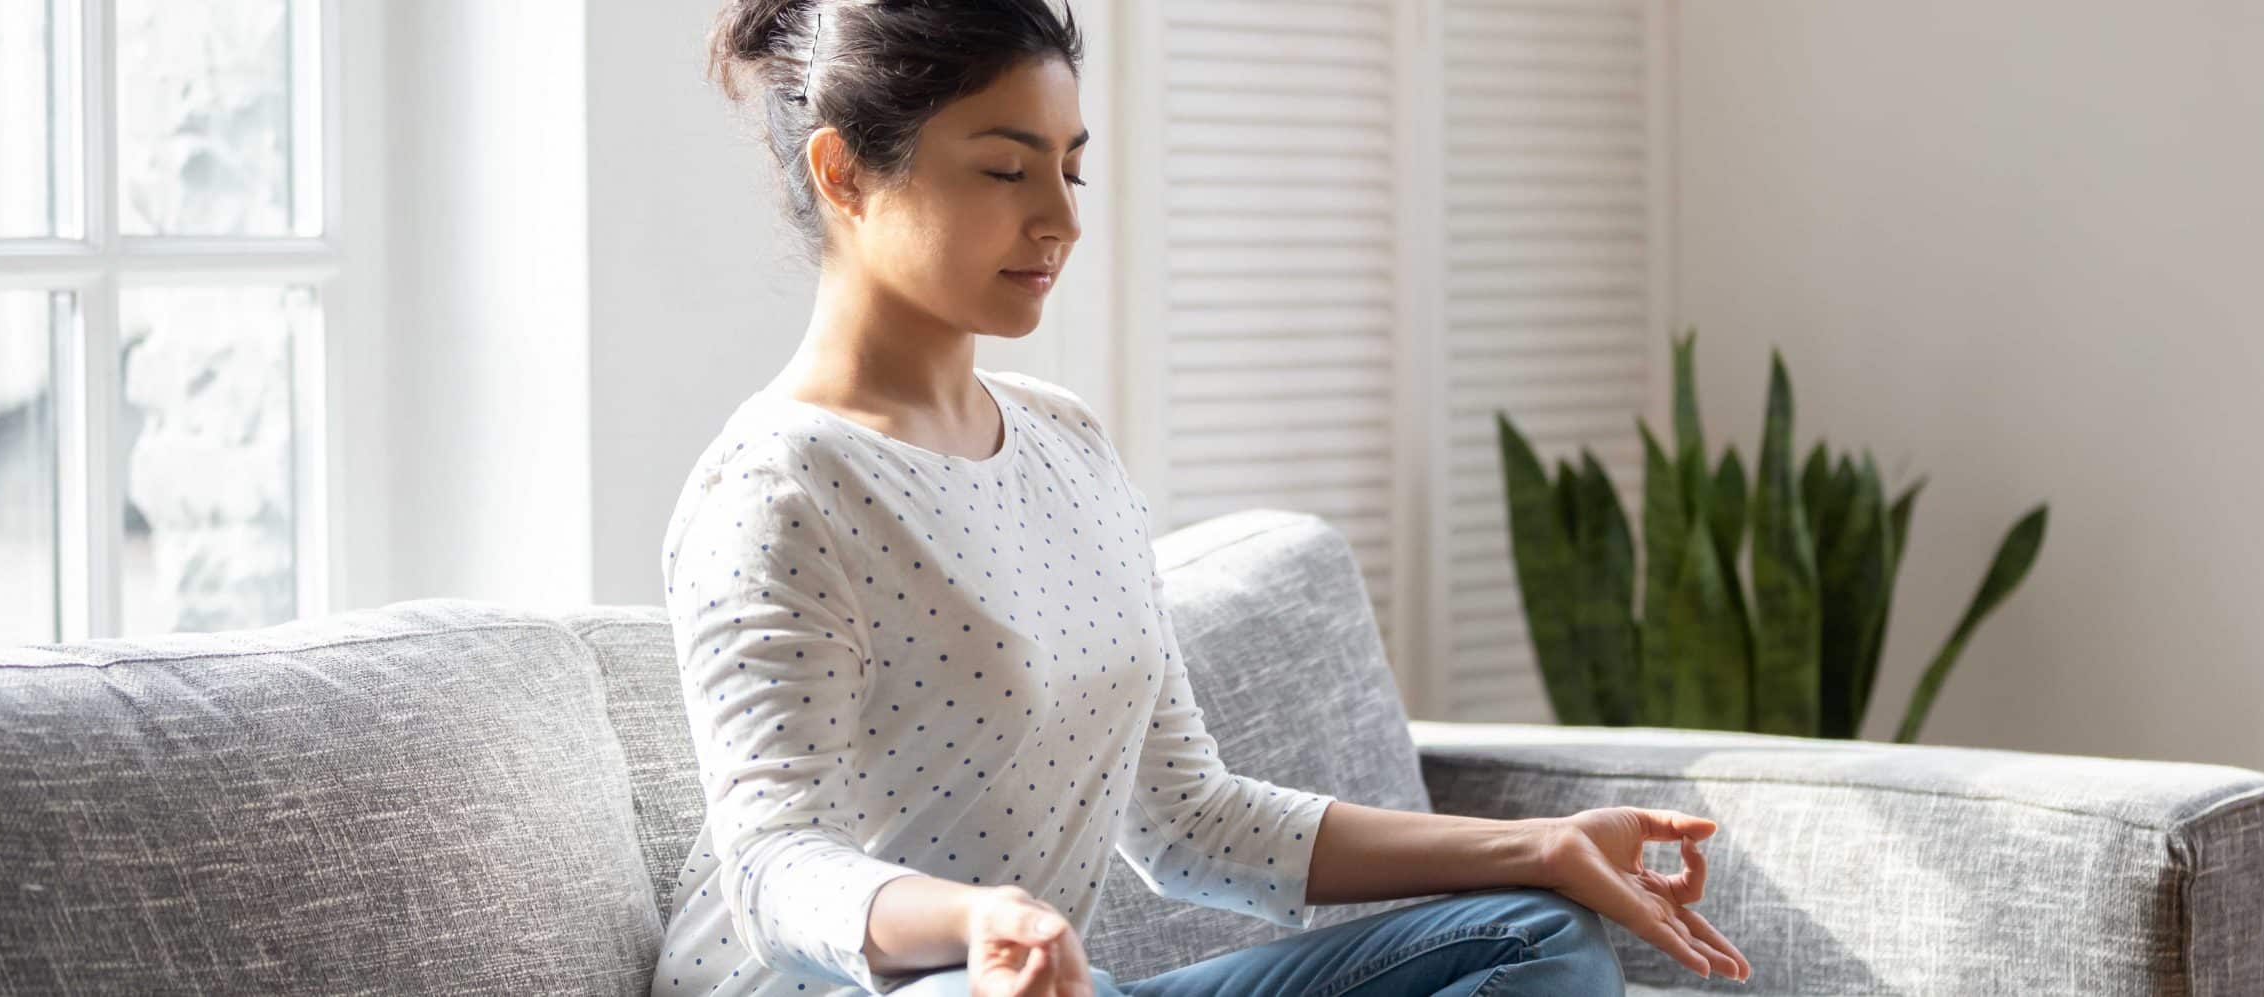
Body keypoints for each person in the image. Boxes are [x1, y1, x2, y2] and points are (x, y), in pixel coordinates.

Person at [655, 2, 1752, 994]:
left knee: (1540, 937)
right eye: (1005, 170)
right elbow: (772, 861)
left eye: (1069, 170)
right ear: (844, 172)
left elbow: (1190, 820)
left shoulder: (1067, 443)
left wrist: (1542, 844)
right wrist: (980, 921)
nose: (1060, 219)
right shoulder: (779, 485)